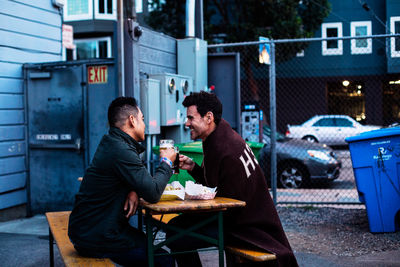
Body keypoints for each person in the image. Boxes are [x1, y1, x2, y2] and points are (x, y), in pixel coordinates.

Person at [167, 91, 298, 267]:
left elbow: (225, 204)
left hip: (245, 227)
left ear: (208, 117)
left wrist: (189, 206)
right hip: (244, 218)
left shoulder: (224, 148)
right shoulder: (221, 135)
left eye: (191, 118)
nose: (186, 123)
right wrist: (193, 167)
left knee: (176, 233)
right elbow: (216, 184)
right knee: (176, 227)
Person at [68, 97, 175, 267]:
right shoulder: (121, 150)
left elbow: (132, 179)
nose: (145, 124)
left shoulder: (113, 143)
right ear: (132, 121)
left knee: (149, 244)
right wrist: (167, 162)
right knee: (163, 260)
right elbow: (153, 192)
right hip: (97, 236)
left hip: (90, 230)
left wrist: (133, 190)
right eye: (142, 119)